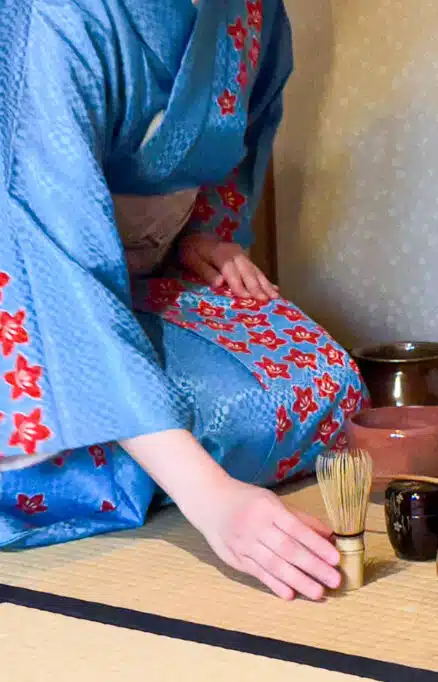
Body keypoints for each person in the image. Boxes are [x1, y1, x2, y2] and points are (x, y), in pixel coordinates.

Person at [0, 0, 370, 602]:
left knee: (322, 380)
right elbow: (46, 249)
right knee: (68, 441)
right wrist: (211, 497)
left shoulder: (253, 11)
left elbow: (241, 132)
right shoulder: (54, 15)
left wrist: (205, 234)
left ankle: (152, 450)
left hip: (142, 274)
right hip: (33, 285)